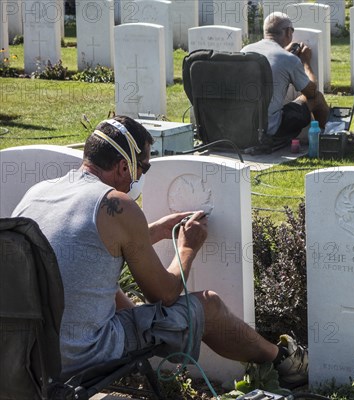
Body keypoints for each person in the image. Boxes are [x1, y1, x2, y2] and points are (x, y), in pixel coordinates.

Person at [11, 116, 307, 388]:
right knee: (207, 306)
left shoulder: (39, 191)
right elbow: (164, 295)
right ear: (124, 166)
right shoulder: (116, 205)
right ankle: (283, 360)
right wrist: (187, 248)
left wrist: (151, 232)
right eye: (144, 167)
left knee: (104, 288)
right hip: (80, 355)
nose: (140, 176)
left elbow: (85, 250)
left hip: (24, 353)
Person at [242, 12, 330, 143]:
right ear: (289, 32)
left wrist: (284, 53)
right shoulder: (289, 59)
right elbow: (310, 91)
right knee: (316, 97)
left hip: (243, 125)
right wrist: (305, 63)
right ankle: (328, 137)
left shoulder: (245, 50)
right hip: (271, 128)